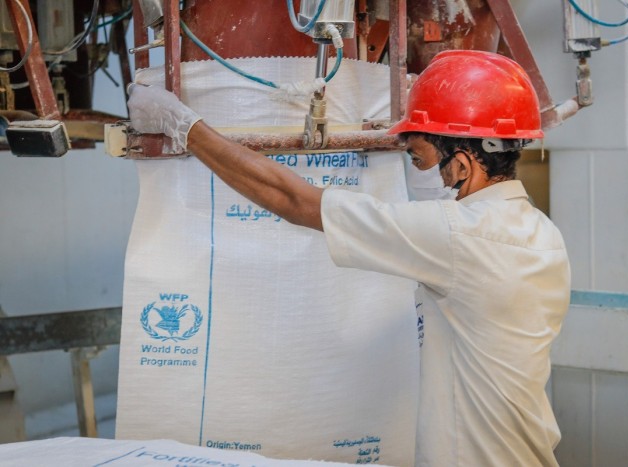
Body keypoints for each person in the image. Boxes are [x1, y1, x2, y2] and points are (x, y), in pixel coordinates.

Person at [127, 49, 571, 467]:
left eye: (421, 159)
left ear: (462, 164)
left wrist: (183, 125)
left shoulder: (457, 235)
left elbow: (294, 200)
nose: (424, 173)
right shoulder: (540, 233)